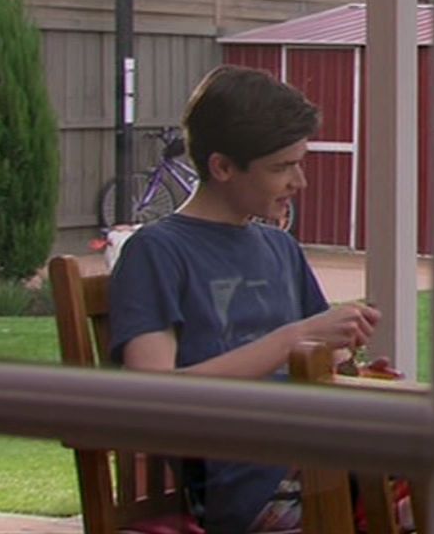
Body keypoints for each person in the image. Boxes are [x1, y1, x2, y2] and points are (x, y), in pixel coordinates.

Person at [108, 64, 383, 534]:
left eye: (299, 163)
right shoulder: (157, 252)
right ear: (222, 167)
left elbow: (323, 365)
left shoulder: (279, 247)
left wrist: (350, 361)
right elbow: (152, 396)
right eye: (281, 167)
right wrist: (292, 339)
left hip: (320, 463)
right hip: (252, 487)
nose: (300, 182)